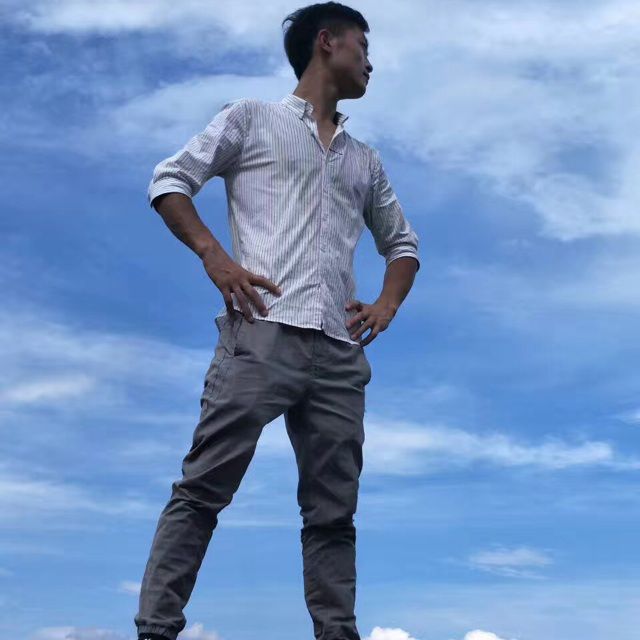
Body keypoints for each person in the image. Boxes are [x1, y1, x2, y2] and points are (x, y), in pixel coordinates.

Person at [134, 3, 420, 640]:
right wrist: (216, 258)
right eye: (363, 46)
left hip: (338, 352)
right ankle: (156, 630)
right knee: (204, 487)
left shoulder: (365, 160)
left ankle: (336, 634)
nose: (370, 62)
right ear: (327, 43)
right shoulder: (250, 118)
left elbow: (402, 244)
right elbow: (170, 180)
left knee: (333, 514)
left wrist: (385, 304)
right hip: (261, 332)